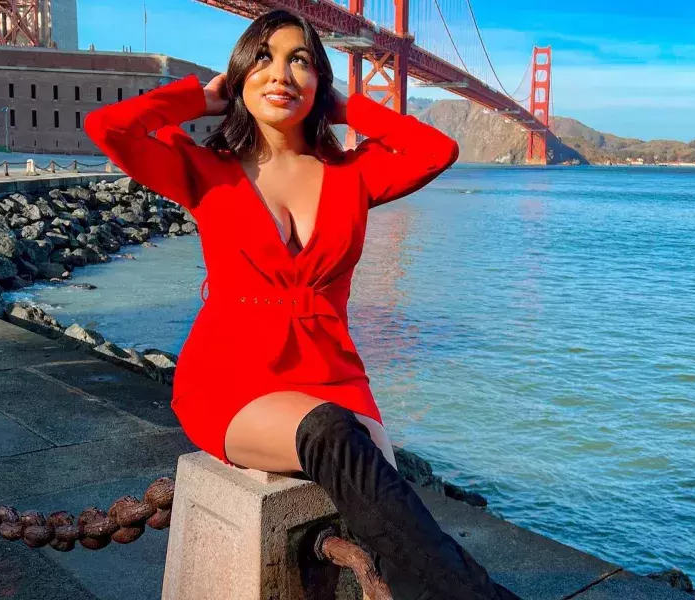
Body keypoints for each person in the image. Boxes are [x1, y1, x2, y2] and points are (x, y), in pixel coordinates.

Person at [85, 9, 520, 600]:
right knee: (336, 438)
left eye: (301, 61)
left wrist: (346, 108)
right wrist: (198, 98)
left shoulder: (354, 176)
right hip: (232, 380)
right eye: (262, 58)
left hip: (333, 374)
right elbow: (108, 128)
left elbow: (437, 148)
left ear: (321, 81)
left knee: (391, 532)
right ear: (239, 76)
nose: (281, 73)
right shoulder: (202, 170)